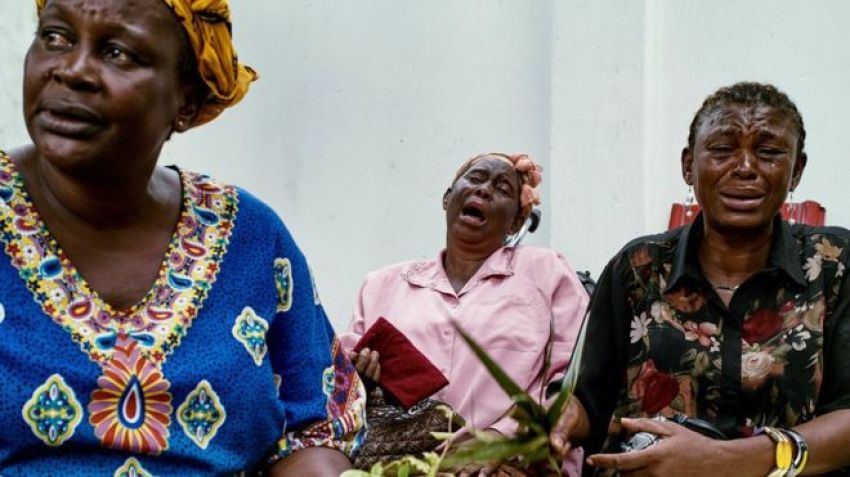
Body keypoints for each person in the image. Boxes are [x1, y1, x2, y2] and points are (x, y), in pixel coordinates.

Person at [0, 0, 365, 475]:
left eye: (118, 52)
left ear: (186, 101)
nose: (71, 71)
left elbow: (316, 423)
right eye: (55, 37)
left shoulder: (251, 237)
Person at [550, 82, 850, 476]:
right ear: (688, 165)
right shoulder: (637, 267)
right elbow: (587, 399)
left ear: (796, 170)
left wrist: (719, 462)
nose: (745, 167)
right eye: (722, 150)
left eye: (769, 152)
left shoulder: (834, 265)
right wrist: (545, 423)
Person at [341, 152, 589, 475]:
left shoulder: (546, 273)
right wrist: (359, 375)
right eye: (475, 178)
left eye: (502, 188)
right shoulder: (381, 285)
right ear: (447, 198)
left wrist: (500, 440)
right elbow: (336, 388)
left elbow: (572, 387)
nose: (484, 190)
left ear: (516, 221)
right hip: (397, 464)